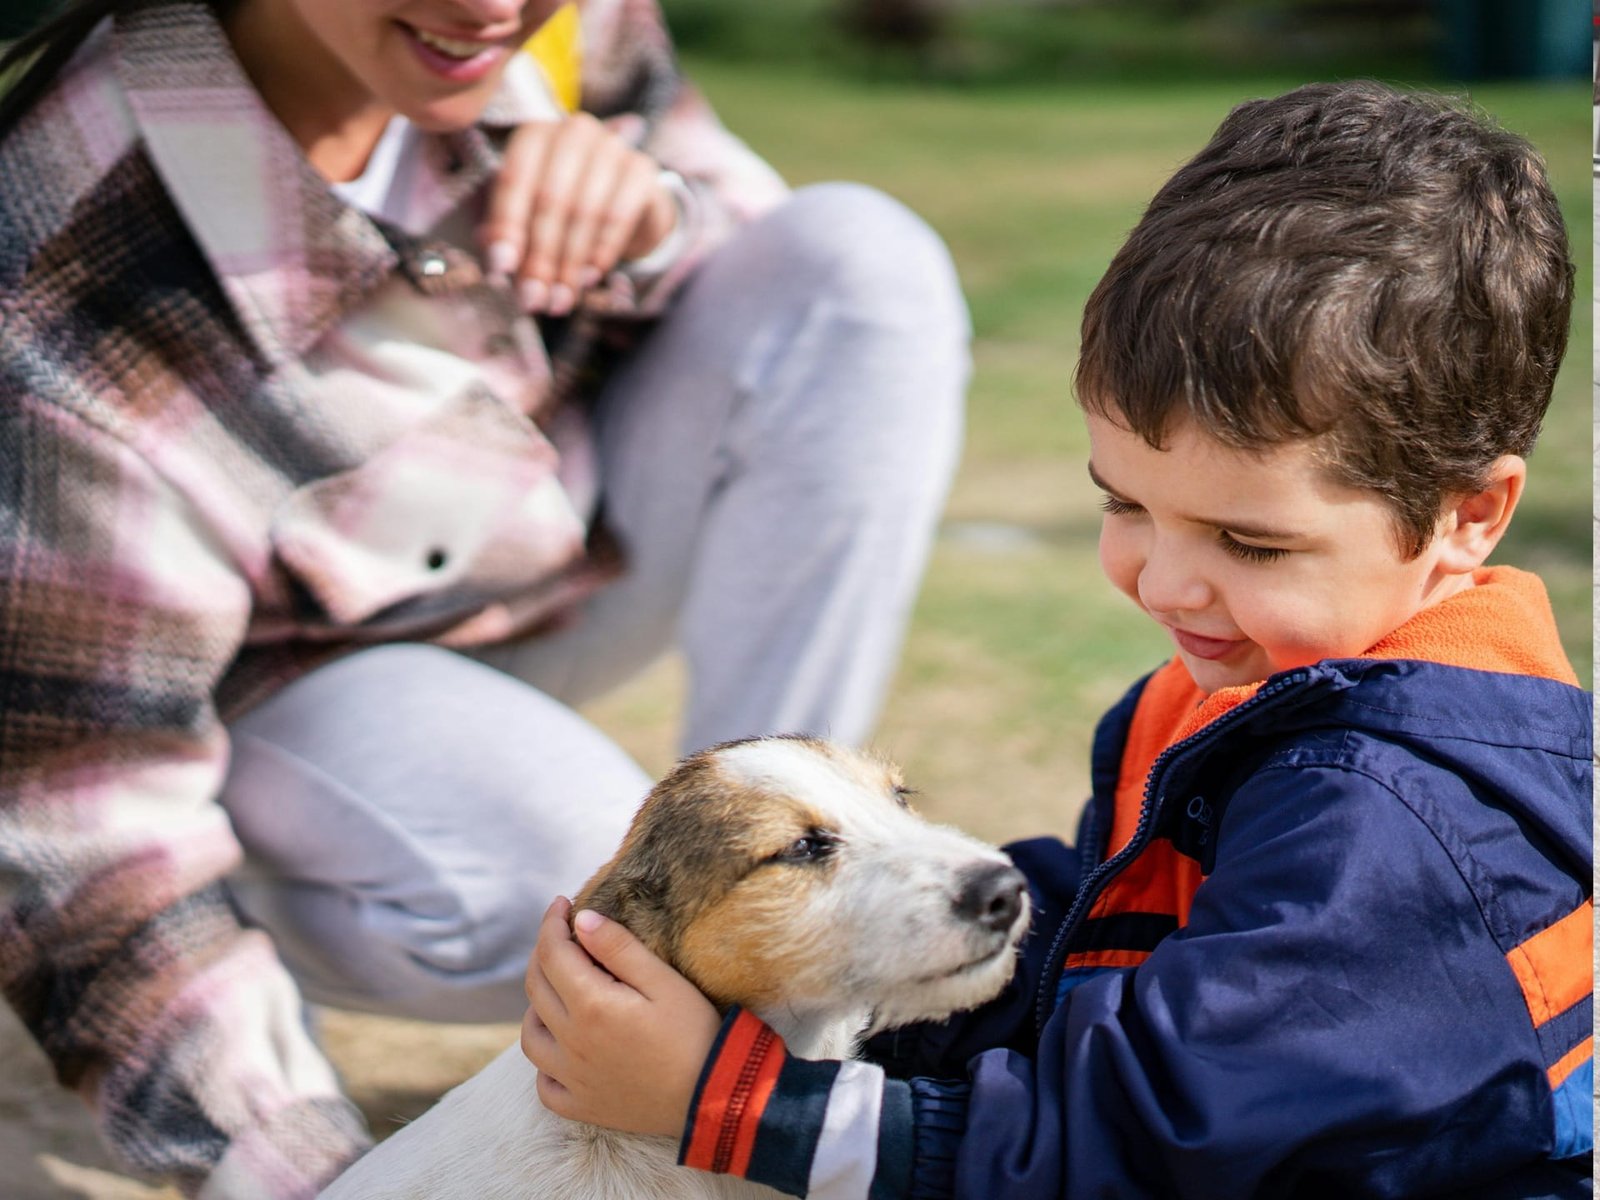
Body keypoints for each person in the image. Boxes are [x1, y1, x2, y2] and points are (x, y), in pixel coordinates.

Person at [524, 80, 1594, 1199]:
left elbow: (1147, 1148)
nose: (1164, 581)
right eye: (1125, 505)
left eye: (1251, 543)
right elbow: (1102, 944)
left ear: (1467, 515)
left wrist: (731, 1103)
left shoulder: (1396, 817)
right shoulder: (1264, 690)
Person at [0, 0, 968, 1194]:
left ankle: (795, 922)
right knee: (583, 887)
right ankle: (269, 922)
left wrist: (646, 204)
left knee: (860, 263)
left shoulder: (549, 24)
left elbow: (759, 269)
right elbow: (77, 835)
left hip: (535, 555)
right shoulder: (73, 299)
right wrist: (316, 1179)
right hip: (259, 694)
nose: (491, 8)